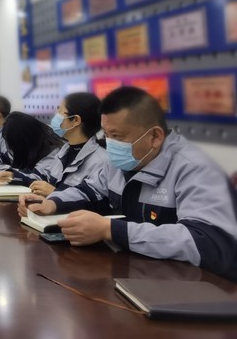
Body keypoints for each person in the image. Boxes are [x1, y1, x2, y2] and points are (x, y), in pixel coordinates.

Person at [19, 87, 237, 280]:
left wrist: (112, 231)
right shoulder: (122, 161)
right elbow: (89, 190)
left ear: (155, 137)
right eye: (106, 134)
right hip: (141, 273)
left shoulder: (193, 169)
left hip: (200, 286)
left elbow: (206, 242)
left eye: (117, 136)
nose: (111, 144)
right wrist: (52, 203)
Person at [25, 92, 108, 197]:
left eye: (60, 111)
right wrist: (13, 175)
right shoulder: (65, 150)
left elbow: (92, 202)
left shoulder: (100, 161)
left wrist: (55, 193)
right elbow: (46, 177)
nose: (56, 116)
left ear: (76, 120)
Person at [0, 112, 63, 186]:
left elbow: (39, 177)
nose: (11, 149)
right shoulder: (29, 145)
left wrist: (12, 175)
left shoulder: (54, 150)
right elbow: (8, 157)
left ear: (24, 141)